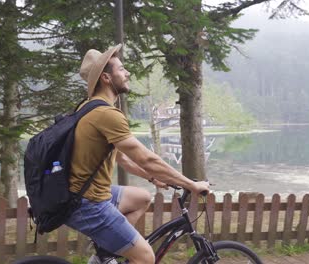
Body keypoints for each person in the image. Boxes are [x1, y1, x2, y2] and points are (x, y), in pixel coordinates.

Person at [65, 44, 210, 264]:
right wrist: (191, 184)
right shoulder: (106, 114)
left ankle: (104, 256)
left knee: (141, 197)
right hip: (88, 203)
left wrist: (152, 178)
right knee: (144, 257)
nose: (128, 73)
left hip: (84, 194)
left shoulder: (86, 107)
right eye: (122, 69)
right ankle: (110, 252)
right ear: (106, 77)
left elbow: (120, 157)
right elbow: (146, 158)